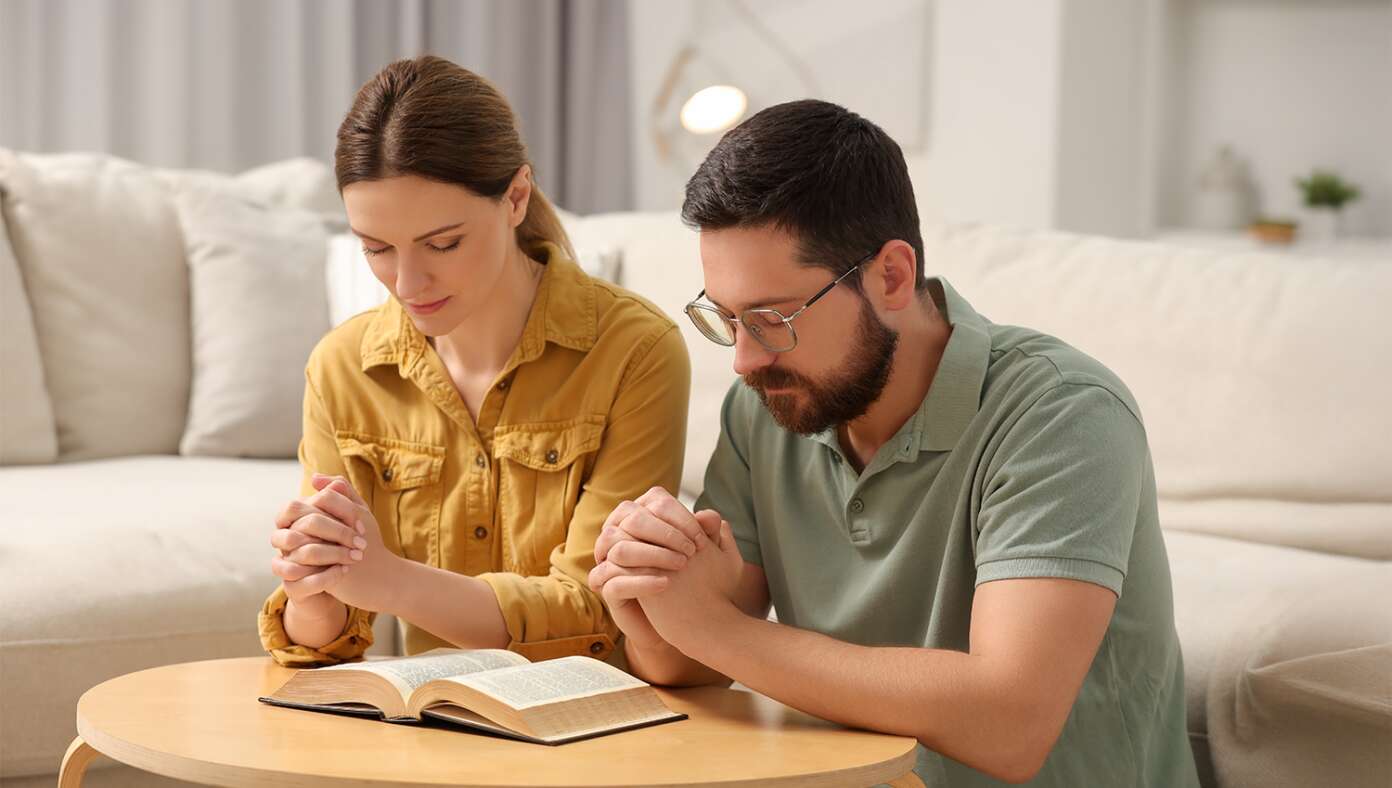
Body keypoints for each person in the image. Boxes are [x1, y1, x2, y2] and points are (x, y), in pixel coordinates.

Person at [587, 99, 1199, 786]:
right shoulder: (770, 407)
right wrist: (648, 596)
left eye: (771, 318)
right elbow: (695, 662)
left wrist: (715, 630)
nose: (744, 361)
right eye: (725, 319)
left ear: (892, 277)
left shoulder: (1064, 413)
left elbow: (1011, 723)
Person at [257, 55, 690, 667]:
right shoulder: (341, 368)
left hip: (594, 727)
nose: (407, 282)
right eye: (377, 249)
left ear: (515, 197)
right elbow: (325, 636)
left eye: (443, 243)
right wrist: (311, 587)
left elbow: (600, 610)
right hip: (436, 726)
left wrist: (389, 581)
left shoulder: (634, 350)